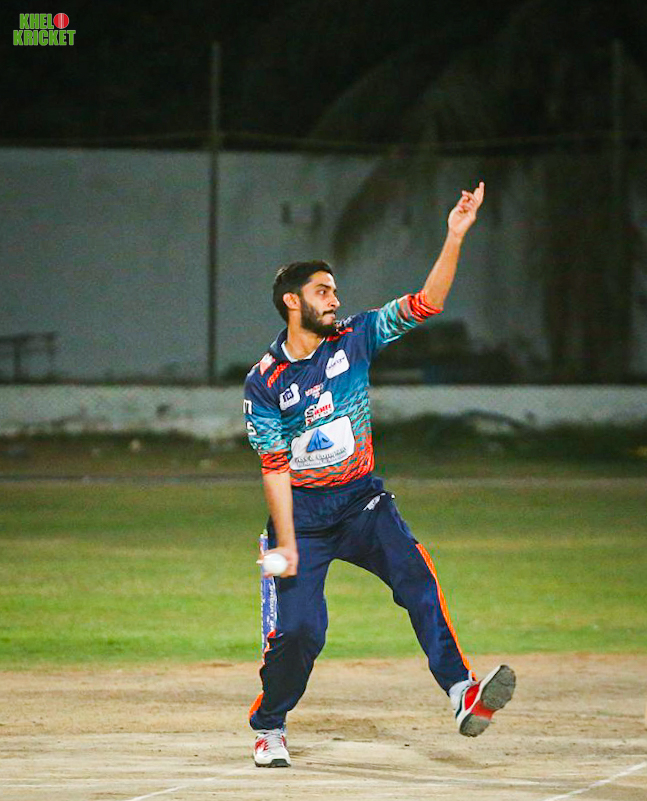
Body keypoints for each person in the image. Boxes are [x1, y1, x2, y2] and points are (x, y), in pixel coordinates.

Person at [243, 182, 515, 768]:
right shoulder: (264, 380)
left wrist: (454, 235)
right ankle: (268, 726)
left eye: (335, 290)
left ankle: (461, 690)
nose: (334, 299)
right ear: (292, 301)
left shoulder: (356, 336)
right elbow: (273, 467)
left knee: (418, 578)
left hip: (363, 502)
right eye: (322, 291)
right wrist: (285, 543)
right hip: (301, 521)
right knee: (300, 633)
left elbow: (426, 303)